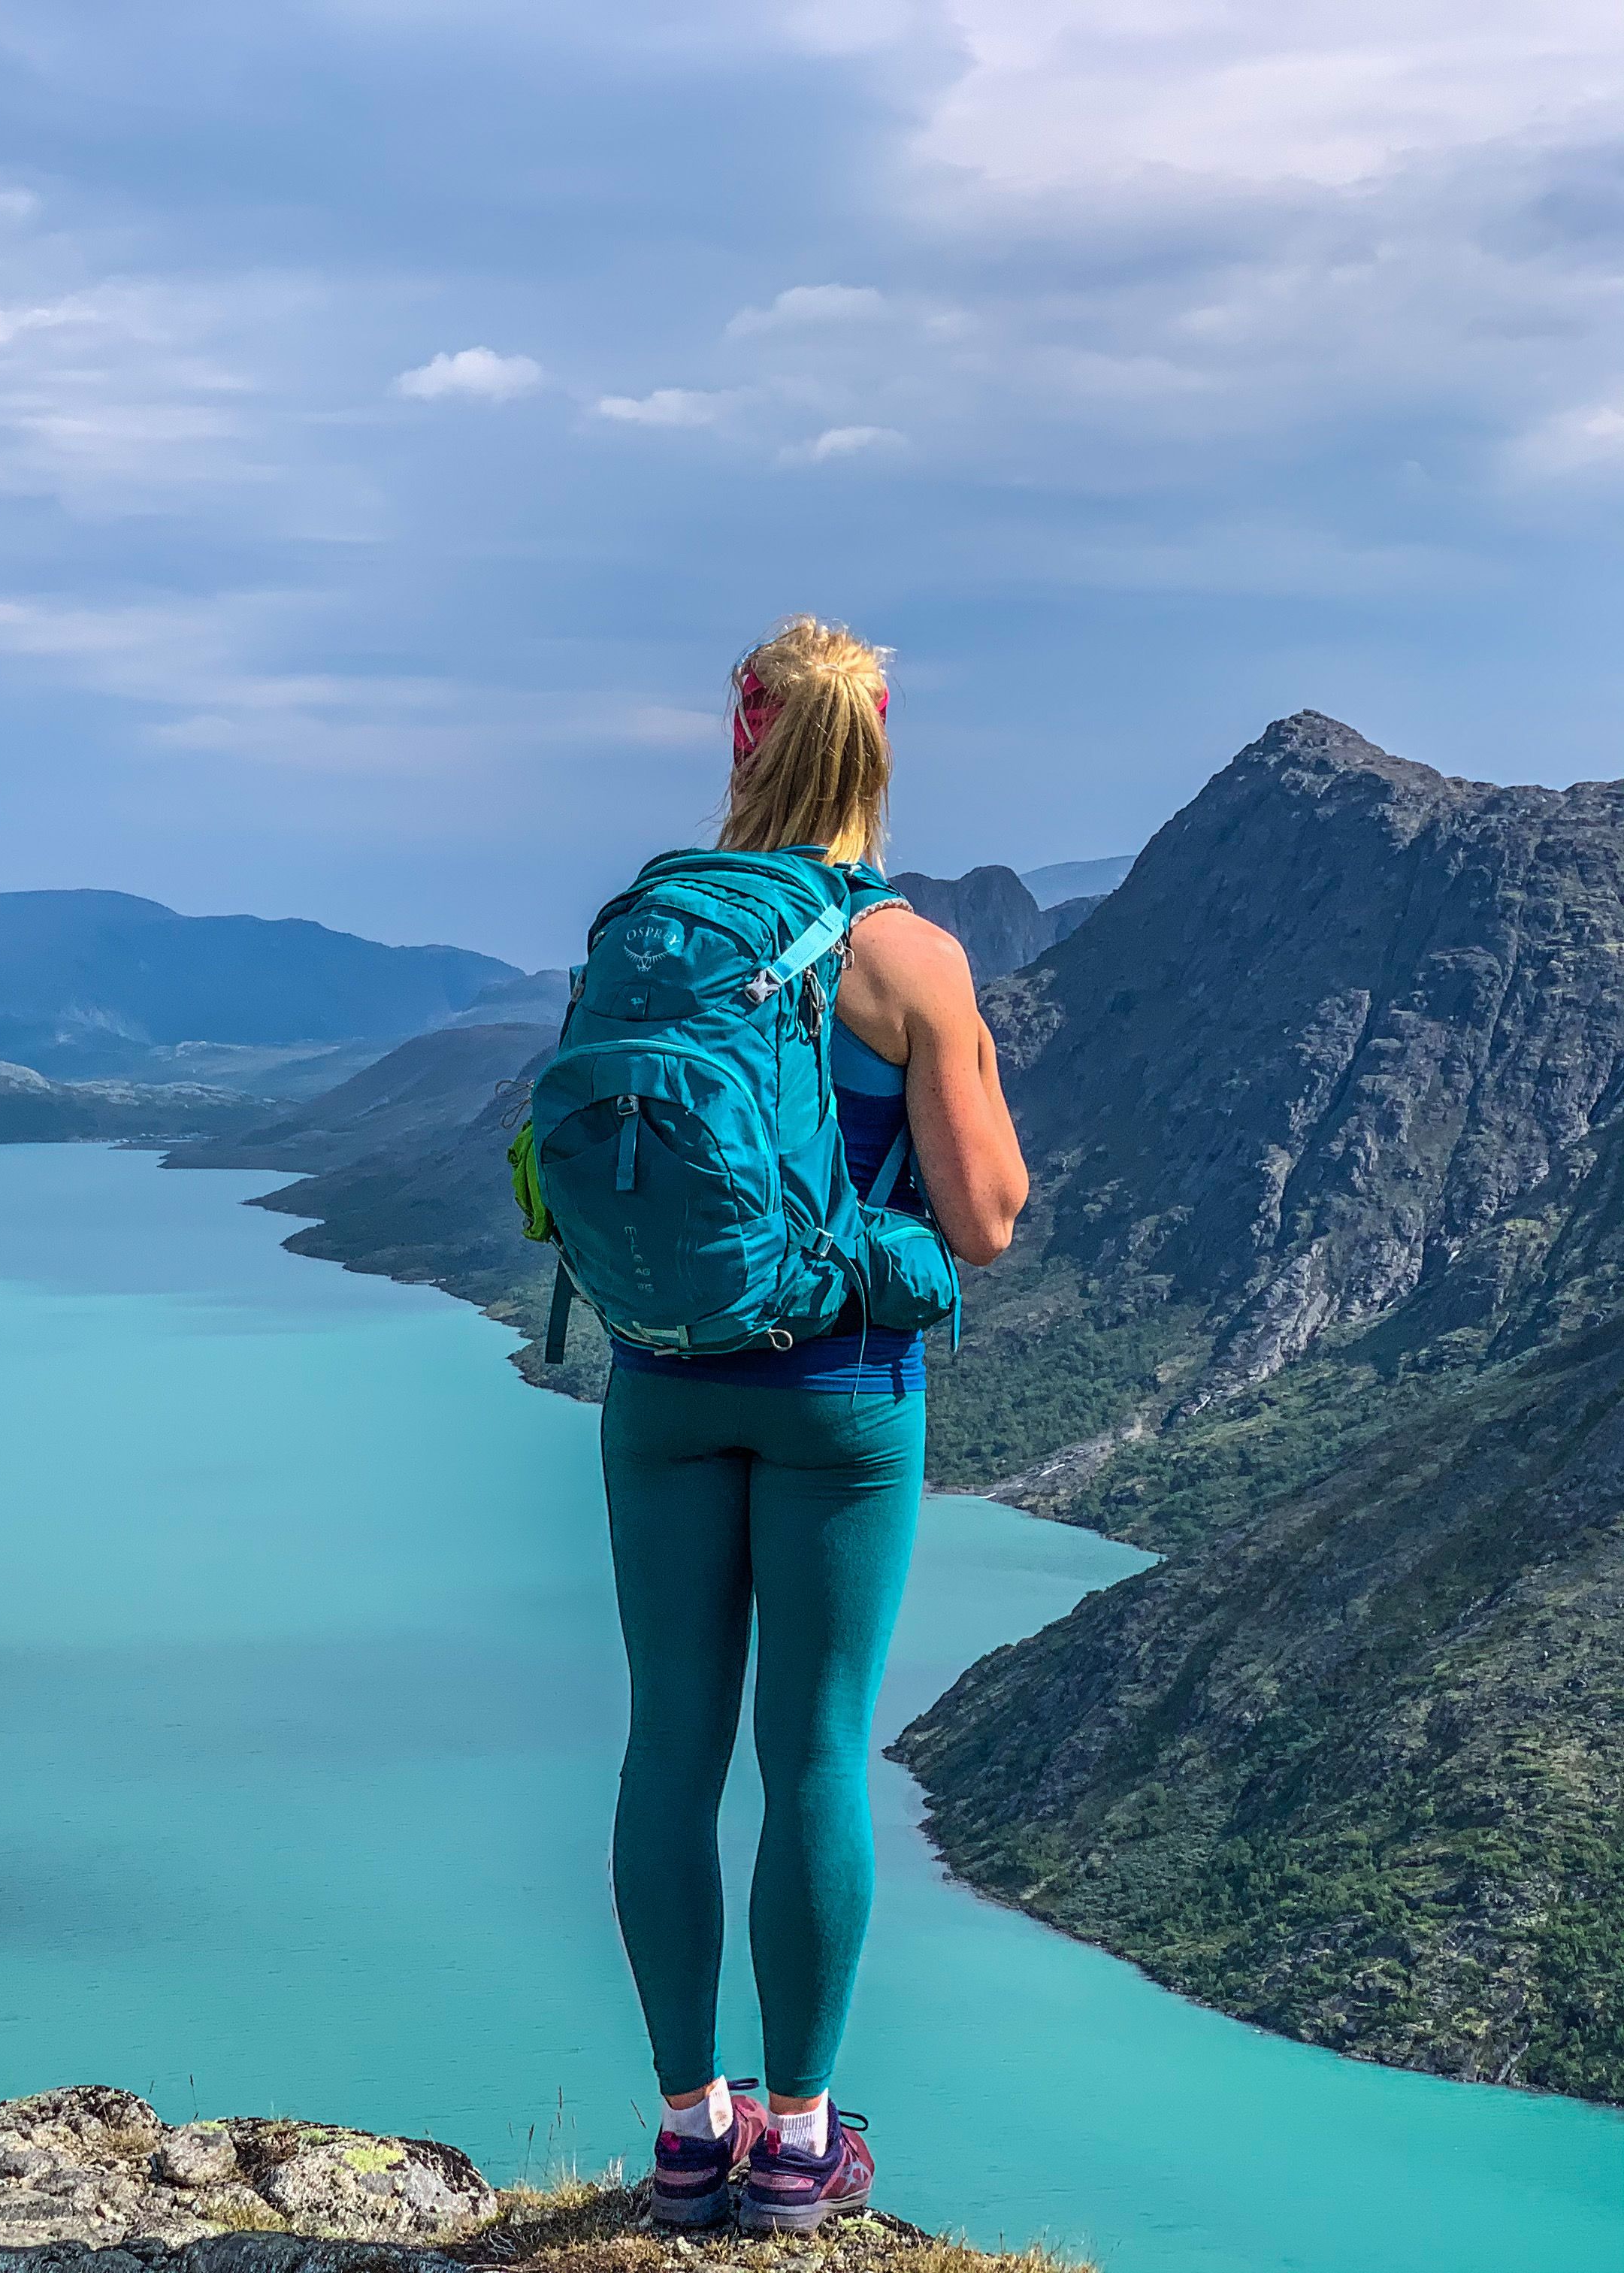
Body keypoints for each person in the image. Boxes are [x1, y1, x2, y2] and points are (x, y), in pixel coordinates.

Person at [603, 617, 1027, 2233]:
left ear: (744, 744)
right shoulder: (906, 955)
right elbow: (983, 1220)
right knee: (813, 1754)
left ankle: (684, 2133)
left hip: (660, 1383)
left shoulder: (651, 925)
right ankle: (795, 2146)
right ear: (877, 756)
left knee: (669, 1745)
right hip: (840, 1398)